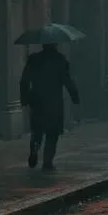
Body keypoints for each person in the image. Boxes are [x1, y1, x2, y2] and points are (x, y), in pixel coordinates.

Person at [20, 41, 81, 172]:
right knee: (52, 133)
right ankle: (47, 162)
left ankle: (35, 148)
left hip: (37, 100)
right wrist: (75, 97)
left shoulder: (34, 59)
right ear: (55, 45)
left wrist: (24, 98)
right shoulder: (60, 60)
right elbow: (67, 80)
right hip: (54, 101)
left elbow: (25, 79)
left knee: (37, 130)